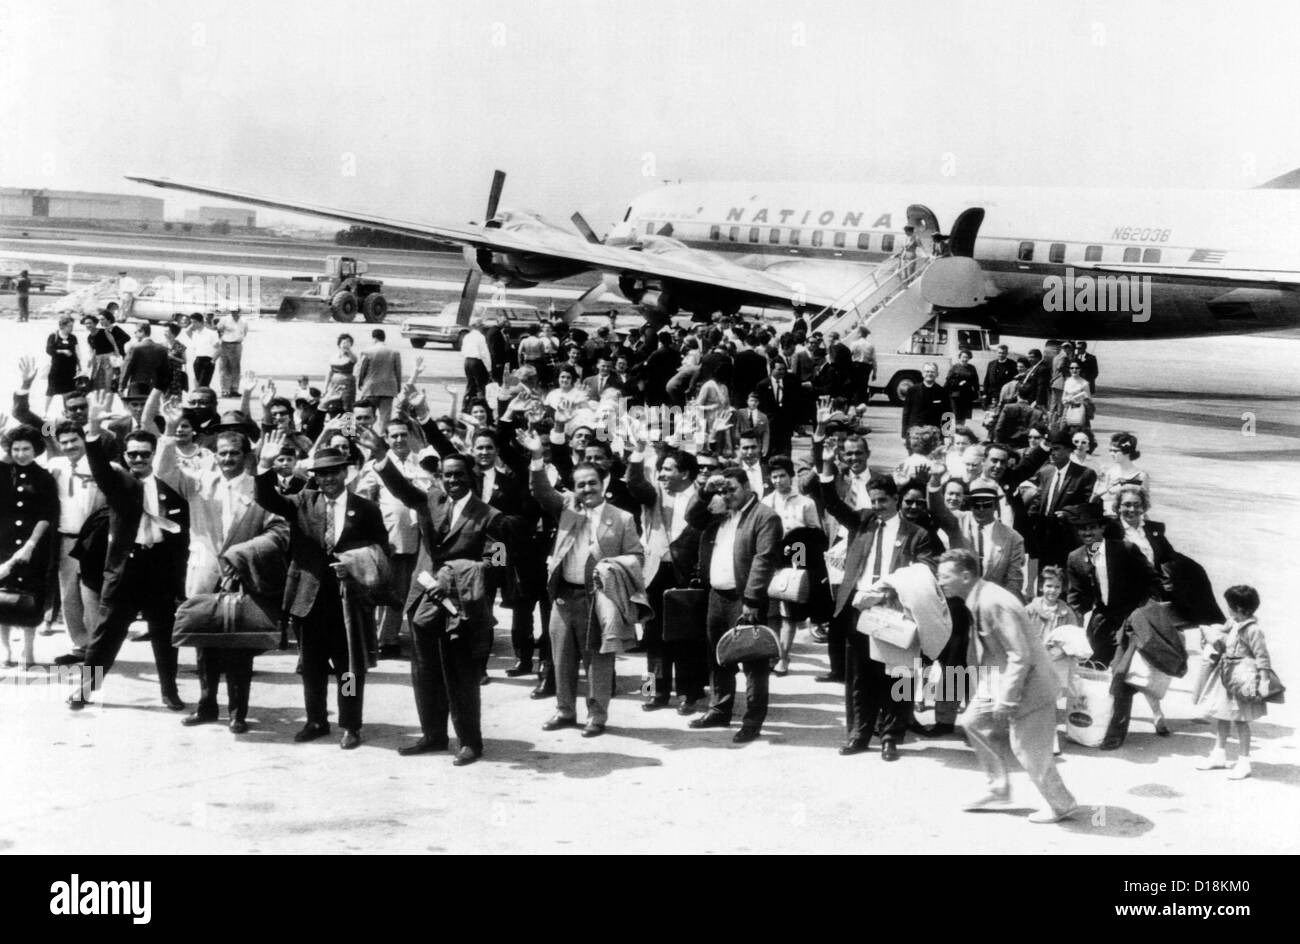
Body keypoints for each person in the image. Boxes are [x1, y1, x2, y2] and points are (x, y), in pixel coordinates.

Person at [364, 429, 514, 766]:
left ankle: (469, 742)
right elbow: (402, 489)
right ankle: (433, 735)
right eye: (446, 475)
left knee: (461, 675)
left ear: (472, 477)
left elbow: (498, 563)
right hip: (423, 603)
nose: (452, 481)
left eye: (459, 474)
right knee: (425, 672)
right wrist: (380, 456)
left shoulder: (491, 517)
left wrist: (457, 572)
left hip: (462, 607)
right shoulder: (431, 500)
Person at [156, 424, 289, 734]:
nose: (228, 458)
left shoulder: (260, 488)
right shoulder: (200, 484)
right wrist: (171, 430)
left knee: (239, 644)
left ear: (246, 456)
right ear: (214, 455)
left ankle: (237, 712)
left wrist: (243, 553)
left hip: (243, 575)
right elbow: (163, 469)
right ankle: (206, 705)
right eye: (222, 453)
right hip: (204, 573)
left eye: (234, 453)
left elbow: (280, 531)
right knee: (204, 643)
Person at [253, 446, 389, 749]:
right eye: (321, 473)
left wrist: (353, 564)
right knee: (311, 667)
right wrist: (264, 464)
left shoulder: (366, 509)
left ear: (346, 472)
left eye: (333, 472)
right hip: (308, 599)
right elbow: (266, 498)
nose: (327, 478)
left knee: (349, 669)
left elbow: (381, 550)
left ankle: (351, 724)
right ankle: (315, 720)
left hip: (347, 601)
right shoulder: (303, 501)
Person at [937, 549, 1079, 823]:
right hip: (1001, 678)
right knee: (973, 722)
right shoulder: (977, 596)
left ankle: (1062, 804)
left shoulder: (993, 602)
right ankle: (999, 789)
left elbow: (1019, 655)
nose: (940, 581)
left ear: (965, 576)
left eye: (945, 576)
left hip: (1030, 685)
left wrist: (1007, 700)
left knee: (1029, 750)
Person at [806, 463, 935, 759]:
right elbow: (834, 505)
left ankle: (891, 735)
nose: (878, 507)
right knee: (860, 676)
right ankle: (859, 734)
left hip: (894, 611)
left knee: (898, 675)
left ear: (896, 499)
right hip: (860, 610)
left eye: (883, 501)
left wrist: (890, 588)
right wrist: (826, 465)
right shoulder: (863, 521)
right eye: (873, 501)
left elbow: (926, 568)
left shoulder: (917, 534)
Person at [70, 416, 190, 712]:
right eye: (132, 454)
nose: (138, 459)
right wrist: (94, 432)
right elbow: (99, 466)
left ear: (153, 455)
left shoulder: (170, 489)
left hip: (159, 570)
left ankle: (169, 691)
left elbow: (180, 539)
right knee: (106, 636)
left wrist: (179, 581)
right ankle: (85, 689)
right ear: (125, 456)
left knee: (164, 635)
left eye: (144, 454)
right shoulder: (119, 483)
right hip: (125, 569)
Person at [527, 437, 645, 738]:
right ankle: (565, 710)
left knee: (599, 660)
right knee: (562, 656)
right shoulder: (566, 508)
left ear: (603, 483)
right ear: (574, 488)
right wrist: (538, 456)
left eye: (592, 483)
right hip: (565, 596)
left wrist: (611, 566)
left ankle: (597, 716)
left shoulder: (622, 518)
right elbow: (540, 490)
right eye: (580, 485)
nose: (587, 490)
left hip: (600, 599)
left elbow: (636, 556)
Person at [686, 466, 783, 743]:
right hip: (717, 595)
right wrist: (706, 492)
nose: (727, 495)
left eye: (732, 490)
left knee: (753, 661)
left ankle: (752, 721)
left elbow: (763, 560)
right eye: (722, 490)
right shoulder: (719, 512)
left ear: (747, 487)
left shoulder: (765, 516)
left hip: (745, 599)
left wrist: (752, 599)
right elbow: (692, 518)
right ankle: (719, 708)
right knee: (718, 656)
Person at [355, 418, 428, 659]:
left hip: (419, 537)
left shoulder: (420, 463)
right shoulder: (376, 465)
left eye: (403, 434)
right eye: (394, 436)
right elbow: (364, 501)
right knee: (390, 589)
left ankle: (406, 636)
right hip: (391, 537)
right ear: (386, 439)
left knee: (413, 588)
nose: (399, 440)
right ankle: (385, 640)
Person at [1195, 585, 1271, 780]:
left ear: (1238, 608)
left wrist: (1263, 680)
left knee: (1240, 719)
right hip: (1226, 675)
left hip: (1242, 678)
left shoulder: (1253, 630)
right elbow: (1225, 630)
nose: (1227, 609)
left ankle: (1244, 761)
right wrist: (1214, 630)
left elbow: (1262, 657)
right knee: (1222, 714)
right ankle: (1218, 754)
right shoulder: (1234, 622)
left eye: (1229, 605)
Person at [46, 422, 107, 667]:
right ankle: (80, 646)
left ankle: (98, 649)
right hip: (66, 539)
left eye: (74, 440)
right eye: (65, 442)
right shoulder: (55, 466)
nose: (70, 446)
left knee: (92, 597)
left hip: (93, 542)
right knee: (69, 596)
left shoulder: (100, 466)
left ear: (83, 439)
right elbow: (43, 430)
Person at [763, 455, 828, 676]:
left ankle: (784, 657)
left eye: (782, 476)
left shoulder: (805, 503)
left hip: (794, 561)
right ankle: (772, 652)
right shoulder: (766, 502)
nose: (779, 480)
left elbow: (817, 534)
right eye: (774, 476)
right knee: (771, 612)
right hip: (771, 559)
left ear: (791, 477)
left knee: (788, 612)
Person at [0, 427, 58, 670]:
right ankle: (6, 651)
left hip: (32, 546)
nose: (21, 454)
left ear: (36, 450)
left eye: (26, 449)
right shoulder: (2, 472)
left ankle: (29, 649)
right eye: (16, 449)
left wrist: (30, 545)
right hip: (2, 544)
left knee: (28, 598)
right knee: (1, 598)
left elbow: (46, 515)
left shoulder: (44, 477)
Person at [356, 328, 402, 427]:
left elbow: (361, 370)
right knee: (385, 417)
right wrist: (398, 387)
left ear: (374, 338)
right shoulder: (394, 352)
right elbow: (398, 371)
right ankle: (382, 437)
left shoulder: (367, 351)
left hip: (371, 388)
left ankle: (366, 435)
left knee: (367, 414)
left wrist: (359, 384)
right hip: (389, 388)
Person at [1094, 432, 1149, 509]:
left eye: (1116, 451)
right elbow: (1105, 497)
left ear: (1127, 451)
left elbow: (1145, 502)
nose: (1112, 454)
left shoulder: (1141, 475)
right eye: (1111, 450)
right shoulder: (1110, 472)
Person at [119, 323, 171, 398]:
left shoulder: (135, 348)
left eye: (136, 332)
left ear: (142, 331)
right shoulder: (162, 349)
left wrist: (121, 386)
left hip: (137, 384)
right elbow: (166, 371)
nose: (135, 334)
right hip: (155, 386)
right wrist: (164, 389)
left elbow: (126, 368)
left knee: (136, 406)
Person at [901, 362, 950, 440]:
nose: (929, 374)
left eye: (932, 372)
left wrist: (947, 436)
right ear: (923, 374)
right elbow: (906, 414)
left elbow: (948, 415)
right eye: (927, 371)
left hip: (934, 434)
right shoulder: (912, 391)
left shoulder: (942, 392)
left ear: (937, 374)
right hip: (915, 434)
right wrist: (904, 435)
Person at [45, 315, 81, 414]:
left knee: (68, 391)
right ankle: (45, 412)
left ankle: (67, 411)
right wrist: (62, 351)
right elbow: (49, 350)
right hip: (57, 367)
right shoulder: (54, 336)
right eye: (69, 326)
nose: (71, 328)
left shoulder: (73, 337)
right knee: (51, 389)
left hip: (70, 368)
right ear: (62, 326)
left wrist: (80, 367)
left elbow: (77, 352)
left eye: (72, 326)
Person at [215, 310, 248, 397]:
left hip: (237, 345)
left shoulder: (244, 321)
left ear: (239, 311)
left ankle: (234, 389)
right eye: (233, 311)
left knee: (236, 367)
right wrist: (223, 339)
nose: (234, 313)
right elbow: (218, 330)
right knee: (225, 368)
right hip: (226, 344)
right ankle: (225, 390)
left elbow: (244, 332)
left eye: (236, 311)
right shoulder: (224, 319)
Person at [944, 348, 980, 425]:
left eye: (967, 357)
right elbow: (948, 380)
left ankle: (963, 431)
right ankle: (954, 431)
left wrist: (977, 392)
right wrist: (958, 383)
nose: (965, 359)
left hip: (967, 395)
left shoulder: (972, 368)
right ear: (959, 357)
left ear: (969, 358)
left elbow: (975, 381)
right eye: (963, 357)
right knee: (956, 414)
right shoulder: (955, 367)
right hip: (955, 394)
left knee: (966, 416)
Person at [184, 313, 219, 389]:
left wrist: (213, 361)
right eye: (192, 322)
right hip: (197, 360)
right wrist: (192, 323)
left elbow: (219, 348)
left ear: (202, 322)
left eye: (195, 322)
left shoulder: (211, 333)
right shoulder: (195, 334)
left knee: (203, 384)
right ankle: (203, 399)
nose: (193, 325)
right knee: (199, 383)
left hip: (208, 360)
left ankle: (203, 398)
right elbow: (187, 331)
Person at [324, 333, 358, 411]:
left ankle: (348, 423)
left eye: (349, 342)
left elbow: (354, 360)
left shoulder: (352, 356)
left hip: (348, 384)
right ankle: (335, 422)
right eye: (344, 342)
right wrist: (325, 388)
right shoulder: (333, 356)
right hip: (335, 384)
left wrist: (348, 351)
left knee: (348, 406)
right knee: (334, 405)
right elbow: (329, 373)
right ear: (339, 344)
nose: (346, 344)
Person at [461, 319, 492, 402]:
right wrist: (489, 368)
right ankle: (482, 402)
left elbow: (463, 350)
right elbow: (484, 353)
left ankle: (466, 404)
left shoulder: (467, 336)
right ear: (480, 327)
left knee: (470, 384)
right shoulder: (481, 337)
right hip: (476, 361)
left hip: (467, 361)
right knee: (481, 385)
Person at [1060, 361, 1093, 429]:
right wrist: (1065, 401)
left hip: (1079, 411)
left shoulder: (1084, 383)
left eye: (1077, 368)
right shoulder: (1067, 381)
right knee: (1063, 429)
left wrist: (1076, 400)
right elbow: (1063, 397)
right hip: (1067, 409)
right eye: (1072, 368)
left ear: (1080, 369)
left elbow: (1088, 400)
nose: (1074, 370)